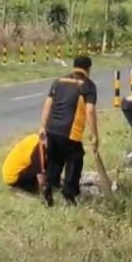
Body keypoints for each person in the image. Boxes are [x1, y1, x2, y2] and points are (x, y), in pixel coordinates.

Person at [38, 56, 99, 207]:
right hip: (70, 131)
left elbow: (47, 104)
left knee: (55, 160)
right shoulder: (88, 86)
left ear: (74, 67)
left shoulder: (59, 81)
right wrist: (94, 134)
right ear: (89, 69)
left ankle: (48, 188)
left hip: (52, 129)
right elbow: (90, 111)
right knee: (75, 159)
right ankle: (69, 193)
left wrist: (42, 127)